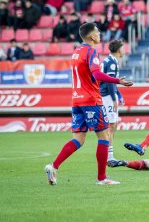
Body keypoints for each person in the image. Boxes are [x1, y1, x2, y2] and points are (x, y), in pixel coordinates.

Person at [44, 23, 133, 186]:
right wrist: (117, 81)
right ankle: (102, 178)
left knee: (78, 139)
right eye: (97, 32)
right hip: (91, 100)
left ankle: (53, 166)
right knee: (104, 136)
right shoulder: (92, 51)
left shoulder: (76, 52)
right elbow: (97, 74)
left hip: (76, 100)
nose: (100, 34)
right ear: (92, 36)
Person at [100, 39, 126, 167]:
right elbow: (110, 82)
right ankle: (109, 157)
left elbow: (114, 81)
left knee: (112, 125)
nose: (124, 50)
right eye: (123, 47)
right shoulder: (111, 62)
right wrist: (114, 99)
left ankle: (109, 155)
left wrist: (119, 95)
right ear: (119, 49)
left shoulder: (111, 60)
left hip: (108, 96)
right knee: (111, 126)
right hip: (107, 97)